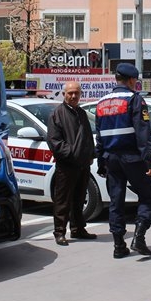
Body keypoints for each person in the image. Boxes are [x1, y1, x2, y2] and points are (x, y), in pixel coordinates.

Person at [94, 63, 151, 258]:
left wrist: (100, 162)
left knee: (116, 201)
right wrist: (149, 161)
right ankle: (139, 237)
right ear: (131, 80)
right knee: (148, 194)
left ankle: (118, 246)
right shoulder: (134, 100)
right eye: (135, 81)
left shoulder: (101, 103)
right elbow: (142, 132)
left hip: (111, 159)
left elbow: (99, 135)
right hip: (133, 158)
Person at [46, 82, 98, 246]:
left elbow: (88, 137)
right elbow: (55, 142)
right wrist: (73, 155)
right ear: (64, 94)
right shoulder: (57, 115)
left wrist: (91, 155)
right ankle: (59, 232)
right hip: (67, 165)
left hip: (83, 165)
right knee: (63, 200)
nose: (74, 96)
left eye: (76, 93)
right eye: (70, 93)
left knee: (79, 199)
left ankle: (78, 229)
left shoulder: (82, 113)